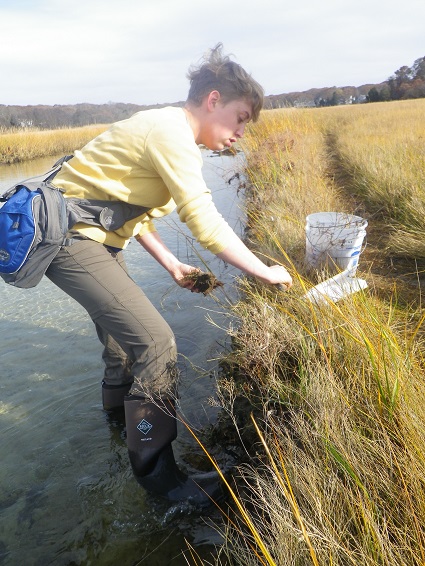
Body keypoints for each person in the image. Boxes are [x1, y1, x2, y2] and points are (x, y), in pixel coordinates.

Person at [46, 44, 293, 506]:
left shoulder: (163, 130)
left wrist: (173, 264)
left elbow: (132, 214)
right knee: (157, 345)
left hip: (92, 239)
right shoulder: (170, 132)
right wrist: (264, 272)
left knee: (123, 347)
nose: (242, 132)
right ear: (214, 100)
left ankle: (121, 431)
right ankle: (162, 480)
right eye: (241, 118)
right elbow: (203, 218)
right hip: (71, 242)